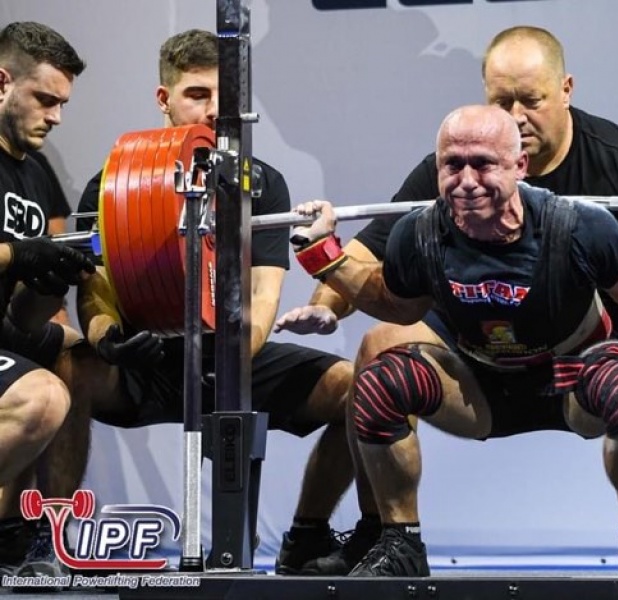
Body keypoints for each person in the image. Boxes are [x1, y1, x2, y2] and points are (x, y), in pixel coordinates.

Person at [275, 25, 618, 575]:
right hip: (478, 370)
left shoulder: (595, 199)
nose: (468, 183)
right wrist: (325, 288)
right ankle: (384, 537)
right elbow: (379, 281)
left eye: (531, 101)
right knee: (379, 355)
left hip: (589, 364)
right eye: (502, 103)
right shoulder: (443, 190)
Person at [68, 29, 356, 574]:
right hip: (145, 358)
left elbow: (263, 295)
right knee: (65, 371)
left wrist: (235, 361)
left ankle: (307, 536)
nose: (213, 112)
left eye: (226, 99)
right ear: (164, 98)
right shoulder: (110, 185)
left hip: (233, 355)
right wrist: (107, 340)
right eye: (197, 94)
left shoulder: (261, 184)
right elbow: (95, 290)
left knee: (361, 390)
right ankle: (39, 541)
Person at [0, 21, 97, 578]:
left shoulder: (35, 172)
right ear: (3, 82)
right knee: (42, 398)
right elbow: (17, 256)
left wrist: (52, 280)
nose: (56, 116)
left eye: (63, 104)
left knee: (79, 355)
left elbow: (23, 316)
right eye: (44, 99)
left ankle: (41, 539)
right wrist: (18, 255)